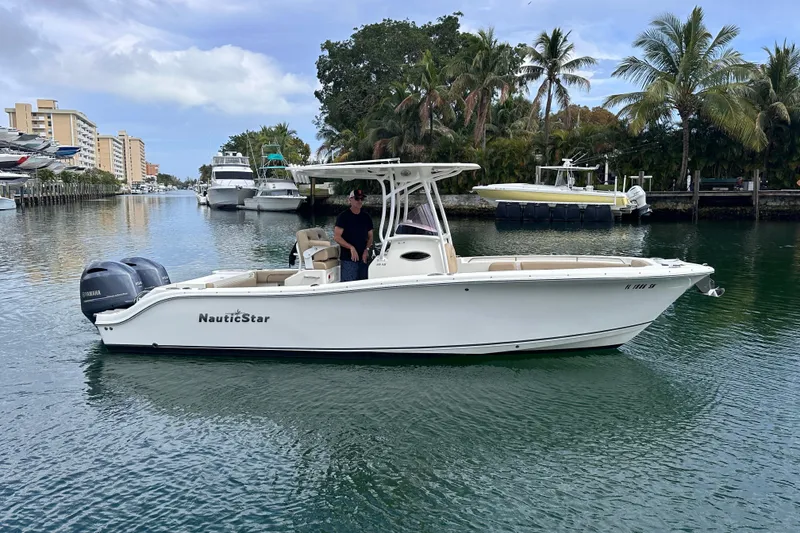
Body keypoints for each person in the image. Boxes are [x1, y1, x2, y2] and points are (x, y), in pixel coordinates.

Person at [334, 189, 374, 282]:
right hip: (348, 259)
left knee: (364, 286)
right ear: (350, 200)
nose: (359, 201)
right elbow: (337, 237)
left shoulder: (366, 217)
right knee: (348, 286)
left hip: (363, 259)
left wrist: (366, 250)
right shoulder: (343, 217)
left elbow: (370, 237)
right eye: (357, 199)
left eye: (361, 199)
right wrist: (351, 247)